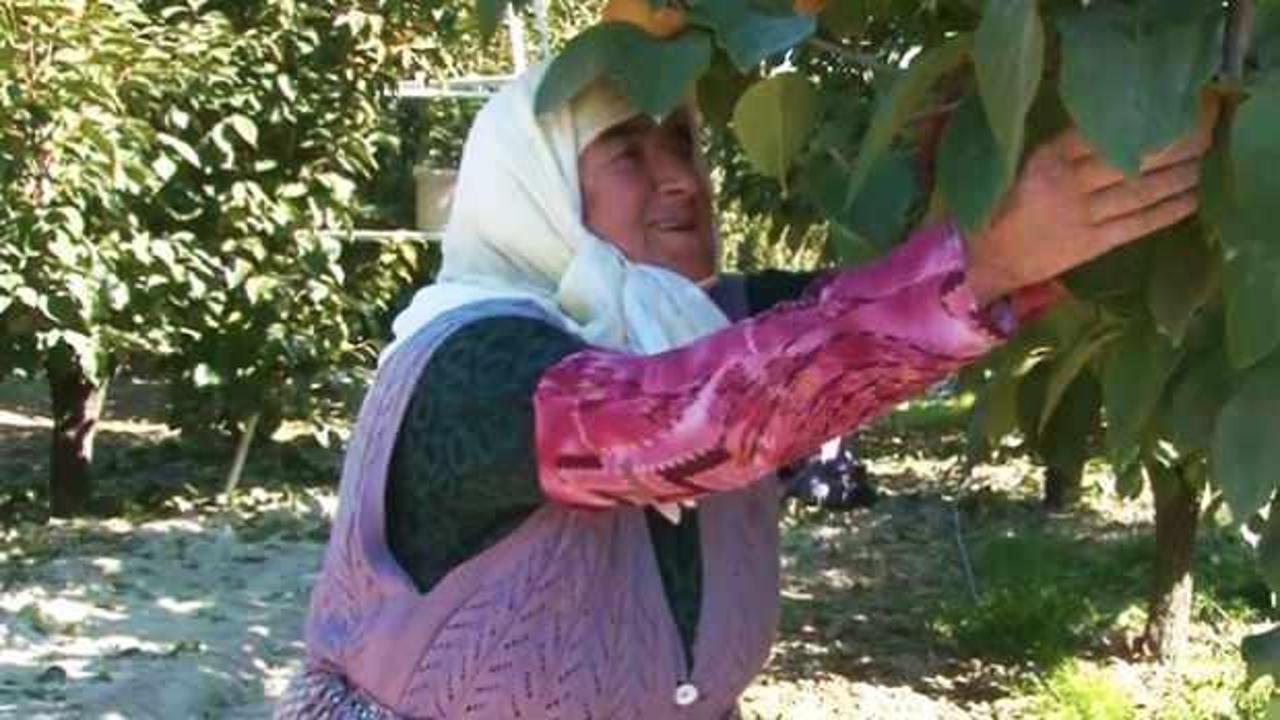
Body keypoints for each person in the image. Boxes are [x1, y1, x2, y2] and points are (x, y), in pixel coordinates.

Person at [277, 58, 1211, 719]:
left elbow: (852, 319)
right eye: (628, 151)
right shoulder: (467, 366)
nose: (682, 176)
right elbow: (701, 416)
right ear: (541, 188)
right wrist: (985, 258)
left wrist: (987, 184)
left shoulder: (700, 322)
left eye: (682, 139)